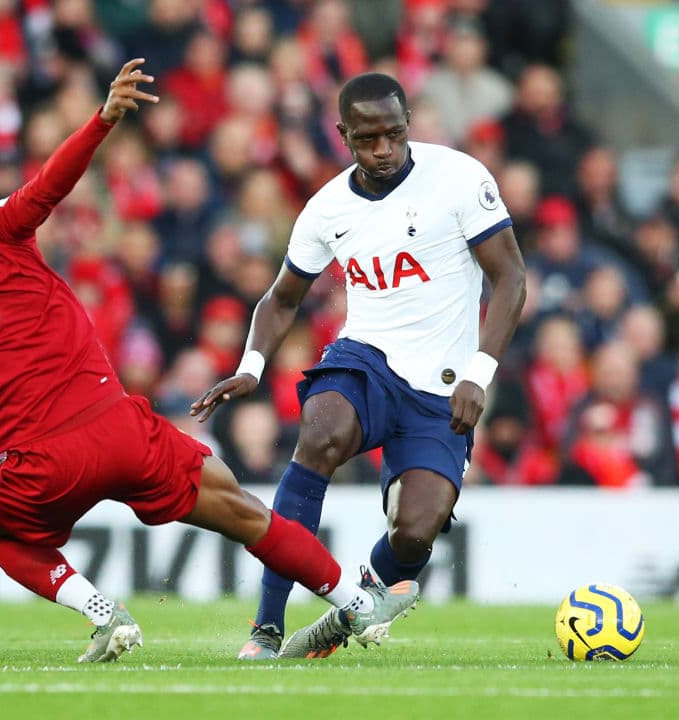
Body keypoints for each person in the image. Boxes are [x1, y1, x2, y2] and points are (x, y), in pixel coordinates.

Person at [0, 59, 418, 664]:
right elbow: (51, 182)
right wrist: (103, 119)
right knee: (240, 511)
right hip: (116, 428)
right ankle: (355, 600)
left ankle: (101, 612)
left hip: (36, 460)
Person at [191, 72, 526, 660]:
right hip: (367, 359)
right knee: (318, 435)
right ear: (344, 134)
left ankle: (355, 606)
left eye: (395, 134)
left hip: (444, 388)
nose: (384, 150)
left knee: (416, 532)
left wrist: (479, 372)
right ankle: (266, 629)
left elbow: (511, 278)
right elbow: (282, 297)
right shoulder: (328, 209)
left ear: (408, 124)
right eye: (368, 138)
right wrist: (252, 364)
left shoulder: (459, 177)